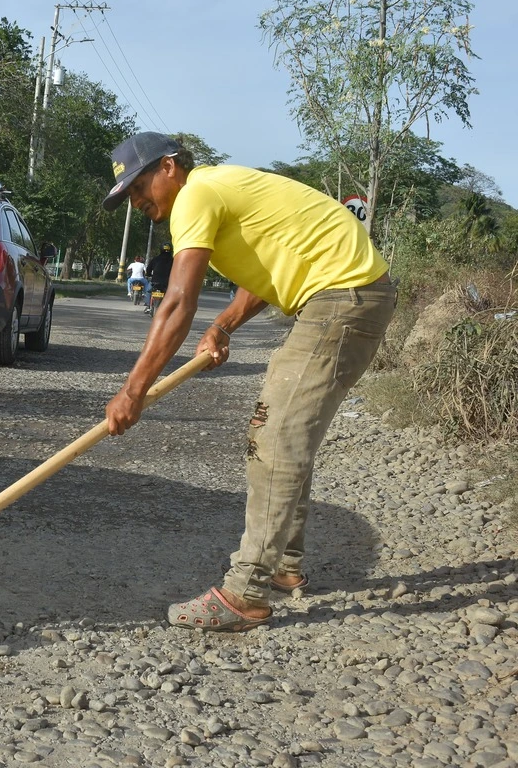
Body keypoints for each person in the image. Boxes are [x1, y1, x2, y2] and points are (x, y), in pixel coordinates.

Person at [100, 131, 395, 632]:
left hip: (341, 297)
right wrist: (223, 326)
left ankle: (246, 593)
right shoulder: (216, 190)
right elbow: (267, 268)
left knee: (277, 435)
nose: (137, 198)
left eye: (139, 184)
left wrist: (134, 392)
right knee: (279, 431)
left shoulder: (194, 194)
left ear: (169, 166)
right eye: (128, 193)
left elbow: (175, 304)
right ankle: (283, 566)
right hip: (344, 294)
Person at [145, 243, 174, 312]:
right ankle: (169, 308)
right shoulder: (173, 260)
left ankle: (148, 306)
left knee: (148, 291)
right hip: (167, 282)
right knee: (171, 294)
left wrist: (148, 274)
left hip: (155, 281)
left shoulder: (155, 259)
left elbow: (148, 269)